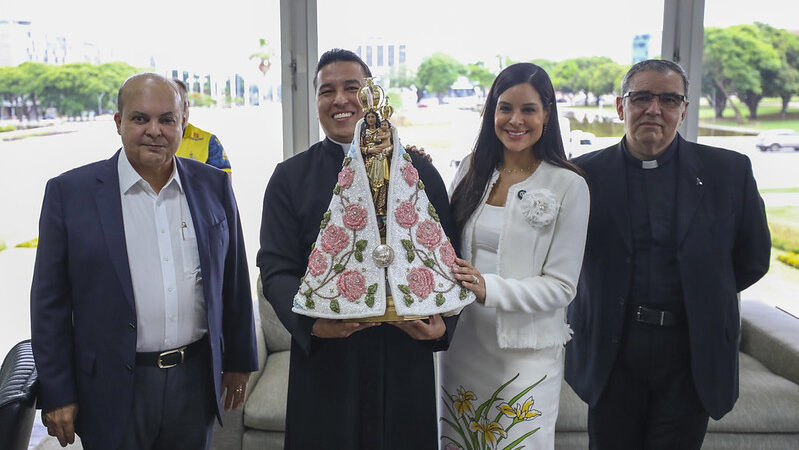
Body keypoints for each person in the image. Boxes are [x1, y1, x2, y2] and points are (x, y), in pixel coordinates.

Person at [30, 73, 258, 450]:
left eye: (167, 119)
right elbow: (49, 304)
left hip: (194, 380)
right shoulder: (69, 194)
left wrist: (239, 360)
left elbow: (233, 278)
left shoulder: (213, 186)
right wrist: (57, 391)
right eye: (140, 119)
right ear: (118, 123)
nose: (155, 130)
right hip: (111, 385)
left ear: (182, 122)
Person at [257, 48, 458, 449]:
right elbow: (276, 269)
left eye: (352, 87)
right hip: (328, 360)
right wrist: (312, 325)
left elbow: (447, 259)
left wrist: (443, 326)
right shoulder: (290, 178)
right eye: (326, 90)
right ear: (316, 101)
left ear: (372, 95)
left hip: (404, 354)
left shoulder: (419, 173)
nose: (340, 99)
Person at [565, 59, 771, 449]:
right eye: (641, 97)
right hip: (613, 348)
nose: (654, 109)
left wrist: (702, 290)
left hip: (691, 351)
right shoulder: (581, 176)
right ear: (621, 106)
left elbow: (754, 258)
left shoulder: (729, 172)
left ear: (684, 109)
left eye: (668, 99)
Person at [440, 63, 590, 449]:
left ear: (547, 114)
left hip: (525, 354)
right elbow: (443, 244)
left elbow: (561, 287)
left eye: (528, 109)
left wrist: (489, 287)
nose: (515, 120)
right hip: (463, 346)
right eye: (505, 107)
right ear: (491, 111)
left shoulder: (569, 185)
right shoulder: (472, 168)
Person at [173, 78, 232, 174]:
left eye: (181, 104)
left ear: (188, 105)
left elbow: (224, 184)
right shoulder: (151, 141)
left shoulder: (209, 142)